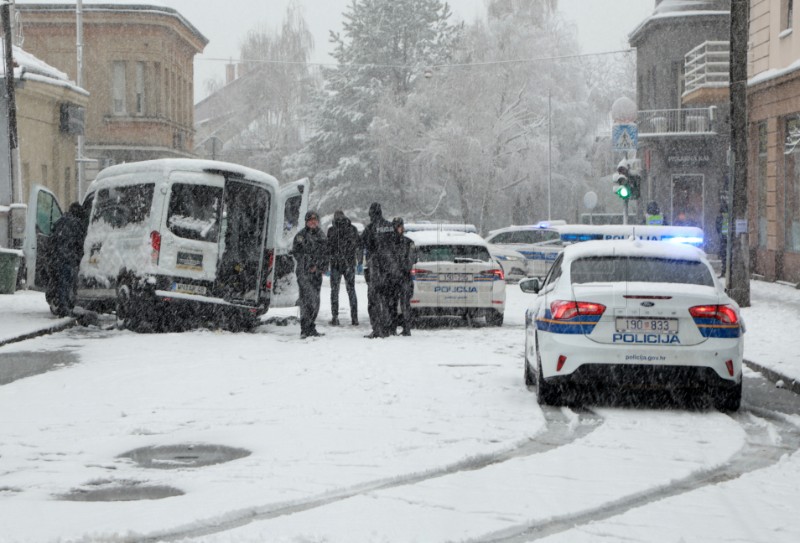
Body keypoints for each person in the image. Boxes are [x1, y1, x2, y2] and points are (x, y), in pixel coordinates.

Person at [46, 202, 88, 317]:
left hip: (56, 258)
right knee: (66, 284)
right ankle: (65, 308)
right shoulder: (77, 224)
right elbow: (80, 244)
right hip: (68, 259)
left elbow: (51, 240)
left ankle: (60, 304)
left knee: (58, 283)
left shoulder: (60, 221)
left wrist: (51, 256)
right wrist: (80, 257)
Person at [291, 210, 328, 339]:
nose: (313, 222)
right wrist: (309, 264)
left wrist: (321, 267)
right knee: (307, 300)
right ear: (307, 221)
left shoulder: (321, 235)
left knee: (316, 301)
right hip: (304, 273)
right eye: (311, 220)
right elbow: (297, 253)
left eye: (315, 220)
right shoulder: (301, 236)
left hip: (316, 274)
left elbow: (325, 253)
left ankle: (311, 326)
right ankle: (305, 328)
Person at [361, 202, 395, 338]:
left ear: (371, 214)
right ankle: (388, 328)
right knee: (387, 300)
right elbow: (396, 244)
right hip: (389, 269)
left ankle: (377, 329)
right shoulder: (390, 227)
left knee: (374, 301)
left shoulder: (370, 228)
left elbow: (361, 243)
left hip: (375, 269)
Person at [327, 210, 361, 326]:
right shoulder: (352, 229)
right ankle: (354, 318)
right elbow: (358, 245)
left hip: (336, 264)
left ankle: (335, 317)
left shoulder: (332, 230)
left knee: (334, 291)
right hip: (349, 263)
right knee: (351, 290)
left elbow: (328, 247)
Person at [389, 217, 416, 336]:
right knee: (394, 304)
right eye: (398, 226)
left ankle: (406, 328)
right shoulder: (391, 242)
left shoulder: (408, 242)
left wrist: (400, 269)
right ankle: (394, 327)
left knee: (404, 305)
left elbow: (411, 260)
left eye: (400, 226)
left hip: (403, 278)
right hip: (396, 278)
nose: (399, 229)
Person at [715, 201, 730, 278]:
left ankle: (724, 272)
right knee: (730, 257)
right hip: (730, 240)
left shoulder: (720, 218)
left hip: (723, 240)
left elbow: (717, 228)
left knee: (724, 257)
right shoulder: (730, 217)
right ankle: (729, 272)